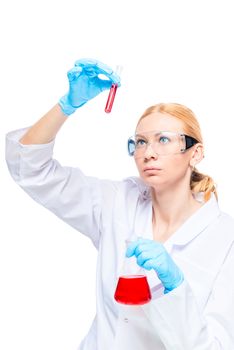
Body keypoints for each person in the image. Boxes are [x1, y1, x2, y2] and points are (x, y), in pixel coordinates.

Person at [5, 58, 234, 350]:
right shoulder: (115, 203)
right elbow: (30, 168)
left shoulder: (226, 238)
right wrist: (67, 105)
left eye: (163, 140)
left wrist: (177, 291)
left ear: (195, 153)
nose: (148, 153)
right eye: (139, 142)